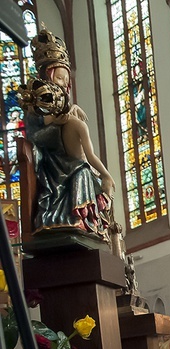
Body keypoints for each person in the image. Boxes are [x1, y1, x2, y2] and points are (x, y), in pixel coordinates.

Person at [20, 28, 115, 242]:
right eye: (60, 78)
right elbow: (37, 137)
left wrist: (65, 116)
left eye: (65, 79)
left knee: (84, 171)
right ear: (49, 76)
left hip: (67, 160)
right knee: (81, 170)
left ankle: (85, 221)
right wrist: (56, 122)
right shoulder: (36, 104)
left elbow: (87, 153)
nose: (63, 83)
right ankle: (65, 218)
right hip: (50, 162)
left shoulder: (71, 115)